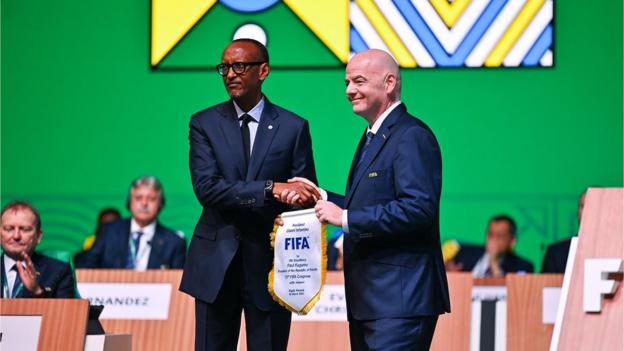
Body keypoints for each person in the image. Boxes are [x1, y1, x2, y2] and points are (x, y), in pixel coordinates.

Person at [300, 49, 450, 350]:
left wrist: (343, 218)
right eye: (346, 83)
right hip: (372, 302)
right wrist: (321, 197)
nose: (349, 91)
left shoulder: (411, 136)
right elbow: (371, 202)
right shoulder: (373, 135)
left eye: (358, 81)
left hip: (399, 304)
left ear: (390, 82)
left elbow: (418, 209)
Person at [179, 39, 321, 351]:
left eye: (240, 66)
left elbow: (304, 192)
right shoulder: (203, 123)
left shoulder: (293, 127)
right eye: (225, 67)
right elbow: (208, 189)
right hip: (216, 266)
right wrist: (271, 189)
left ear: (264, 70)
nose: (230, 73)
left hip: (272, 266)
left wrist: (299, 198)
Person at [80, 176, 186, 270]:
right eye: (138, 198)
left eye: (151, 199)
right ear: (129, 202)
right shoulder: (109, 232)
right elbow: (86, 268)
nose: (144, 203)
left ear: (160, 204)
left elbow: (178, 283)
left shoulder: (174, 242)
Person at [1, 201, 76, 298]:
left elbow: (65, 312)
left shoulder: (58, 271)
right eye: (9, 229)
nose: (16, 236)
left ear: (38, 236)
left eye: (25, 229)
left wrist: (37, 291)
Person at [446, 215, 534, 277]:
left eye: (499, 236)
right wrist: (448, 274)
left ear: (512, 241)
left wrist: (494, 262)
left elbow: (514, 294)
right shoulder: (465, 253)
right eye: (490, 234)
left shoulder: (522, 266)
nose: (493, 240)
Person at [541, 189, 587, 273]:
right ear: (577, 213)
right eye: (583, 206)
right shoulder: (556, 253)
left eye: (593, 206)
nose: (588, 211)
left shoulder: (619, 249)